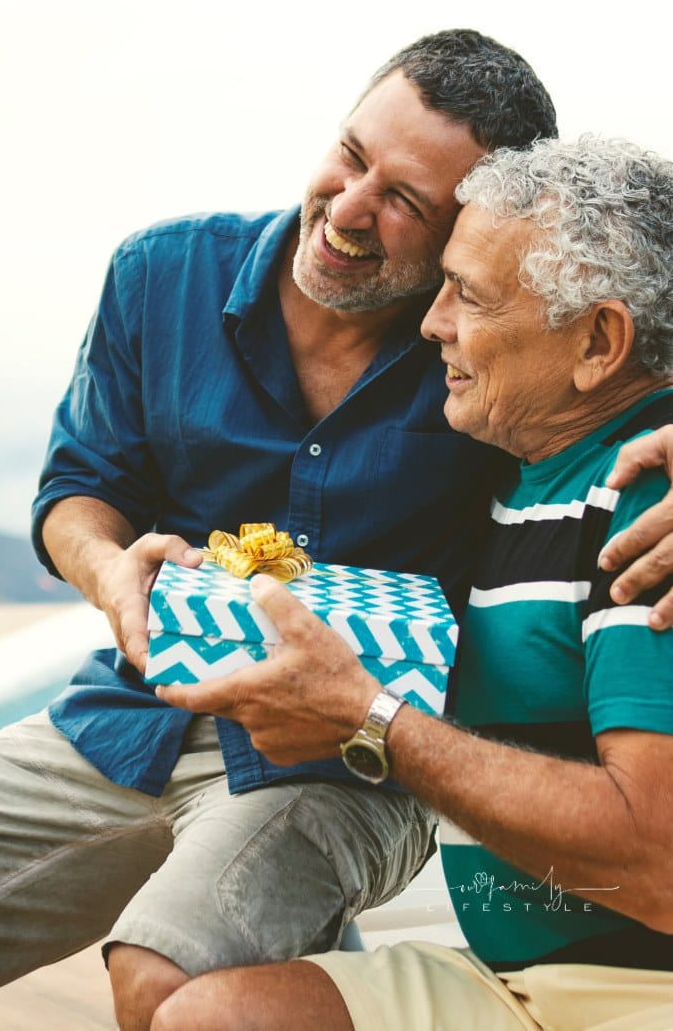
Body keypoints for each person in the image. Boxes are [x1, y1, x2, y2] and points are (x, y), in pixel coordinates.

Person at [0, 32, 671, 1031]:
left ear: (473, 237)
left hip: (354, 760)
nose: (349, 207)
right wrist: (111, 571)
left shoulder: (493, 356)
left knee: (171, 980)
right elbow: (79, 485)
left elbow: (621, 343)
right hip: (134, 712)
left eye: (406, 203)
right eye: (352, 153)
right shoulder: (162, 275)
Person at [151, 134, 673, 1031]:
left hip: (642, 991)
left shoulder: (645, 503)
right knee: (207, 1015)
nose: (431, 323)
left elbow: (658, 860)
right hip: (515, 979)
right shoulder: (508, 472)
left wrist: (375, 725)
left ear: (598, 341)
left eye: (467, 294)